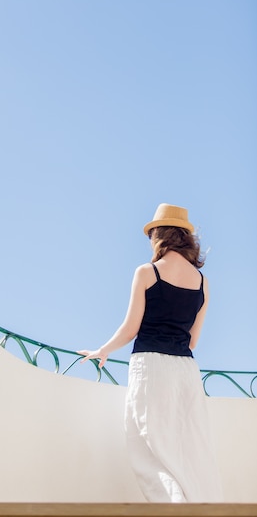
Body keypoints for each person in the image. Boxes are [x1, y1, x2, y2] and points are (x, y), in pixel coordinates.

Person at [78, 203, 223, 503]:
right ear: (186, 238)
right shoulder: (203, 283)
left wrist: (103, 349)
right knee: (188, 448)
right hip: (186, 371)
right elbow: (192, 341)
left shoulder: (147, 272)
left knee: (147, 449)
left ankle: (174, 507)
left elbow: (131, 328)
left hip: (151, 366)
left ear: (159, 235)